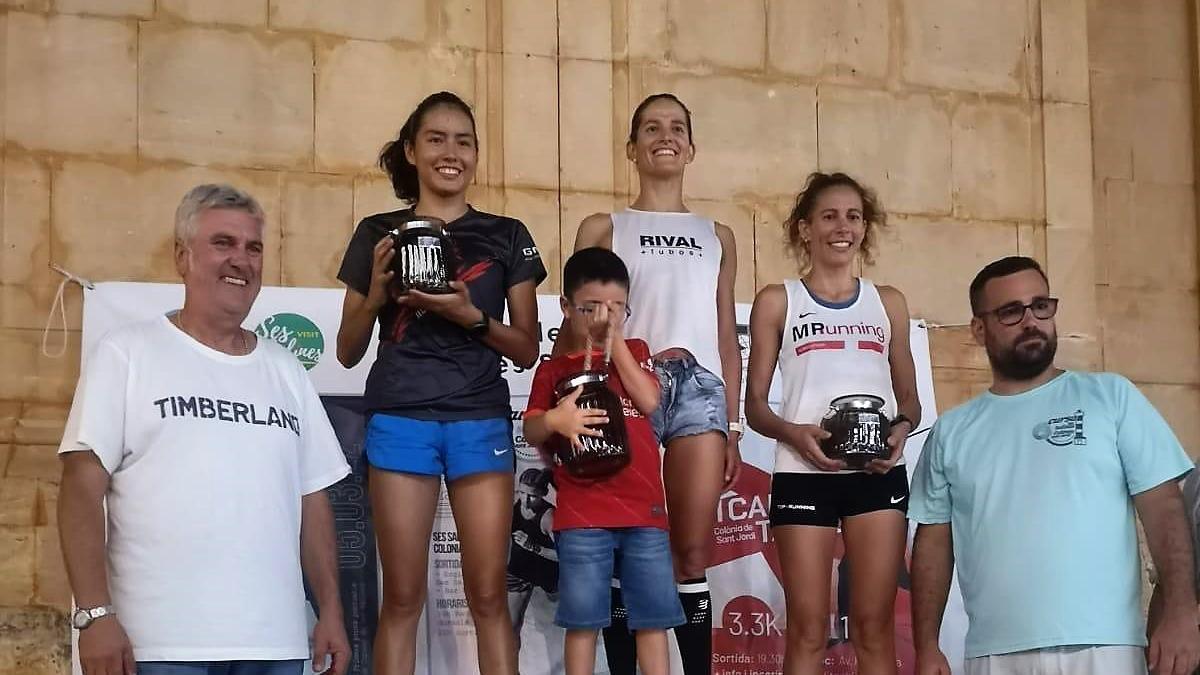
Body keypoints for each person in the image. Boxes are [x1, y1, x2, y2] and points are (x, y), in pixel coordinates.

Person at [57, 184, 352, 675]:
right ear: (182, 257)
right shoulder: (126, 353)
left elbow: (313, 501)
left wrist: (332, 614)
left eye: (253, 247)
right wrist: (94, 615)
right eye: (223, 243)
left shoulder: (286, 370)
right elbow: (79, 491)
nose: (241, 260)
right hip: (161, 647)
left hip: (275, 647)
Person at [335, 91, 546, 675]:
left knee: (488, 598)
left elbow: (527, 348)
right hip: (401, 416)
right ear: (411, 150)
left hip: (478, 419)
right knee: (402, 598)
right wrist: (378, 292)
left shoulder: (506, 233)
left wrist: (468, 316)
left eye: (464, 141)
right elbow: (347, 351)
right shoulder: (378, 231)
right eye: (436, 139)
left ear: (476, 153)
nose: (451, 152)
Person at [910, 256, 1200, 675]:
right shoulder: (951, 432)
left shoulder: (1112, 397)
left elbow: (1165, 512)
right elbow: (933, 545)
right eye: (1011, 311)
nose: (1031, 320)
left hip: (1106, 648)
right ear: (979, 329)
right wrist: (927, 646)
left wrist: (1180, 612)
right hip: (995, 654)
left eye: (1041, 305)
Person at [560, 93, 742, 674]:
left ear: (691, 146)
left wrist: (732, 424)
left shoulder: (719, 234)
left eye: (677, 128)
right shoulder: (603, 226)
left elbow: (724, 332)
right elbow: (580, 324)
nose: (665, 136)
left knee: (690, 552)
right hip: (624, 388)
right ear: (632, 147)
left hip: (698, 391)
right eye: (651, 128)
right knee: (620, 550)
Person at [745, 171, 921, 674]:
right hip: (804, 473)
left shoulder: (888, 302)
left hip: (876, 475)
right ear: (805, 229)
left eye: (853, 216)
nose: (842, 227)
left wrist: (902, 429)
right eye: (828, 216)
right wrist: (793, 434)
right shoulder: (778, 300)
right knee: (807, 628)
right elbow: (755, 406)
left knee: (873, 626)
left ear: (865, 227)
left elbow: (909, 397)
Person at [525, 247, 685, 675]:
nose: (603, 318)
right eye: (590, 308)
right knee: (583, 621)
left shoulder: (635, 350)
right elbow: (532, 429)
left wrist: (617, 345)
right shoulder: (554, 370)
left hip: (644, 512)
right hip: (582, 513)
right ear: (565, 308)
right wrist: (557, 419)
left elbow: (651, 401)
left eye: (616, 308)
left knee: (653, 621)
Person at [506, 467, 559, 641]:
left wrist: (533, 546)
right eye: (522, 492)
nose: (526, 500)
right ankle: (510, 667)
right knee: (510, 627)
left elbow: (565, 556)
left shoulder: (549, 517)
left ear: (543, 493)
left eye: (532, 496)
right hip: (521, 569)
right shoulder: (517, 505)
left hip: (547, 572)